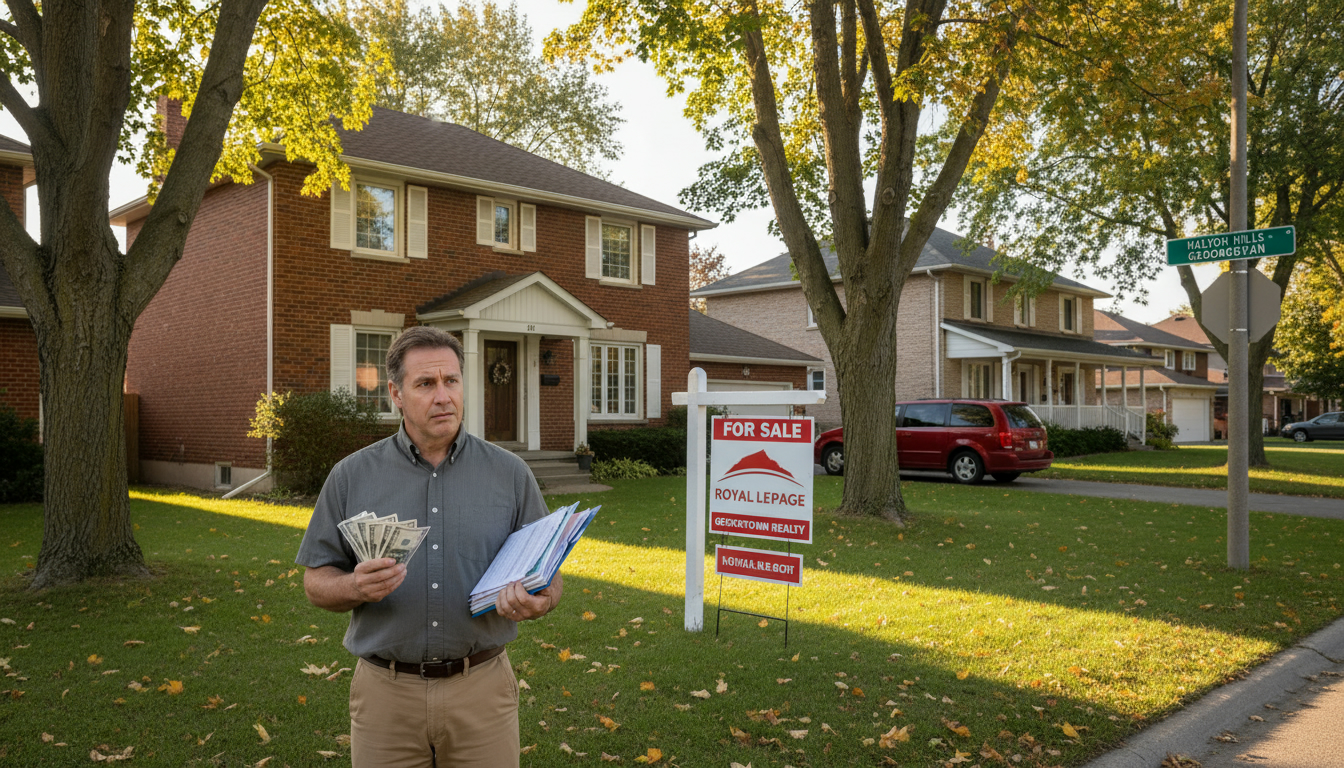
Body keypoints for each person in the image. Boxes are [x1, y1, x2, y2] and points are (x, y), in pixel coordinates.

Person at [296, 325, 560, 767]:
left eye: (451, 381)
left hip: (483, 691)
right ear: (396, 394)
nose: (443, 396)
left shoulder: (511, 475)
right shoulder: (351, 476)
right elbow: (315, 581)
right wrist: (354, 588)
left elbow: (550, 580)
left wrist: (541, 601)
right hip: (386, 696)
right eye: (426, 384)